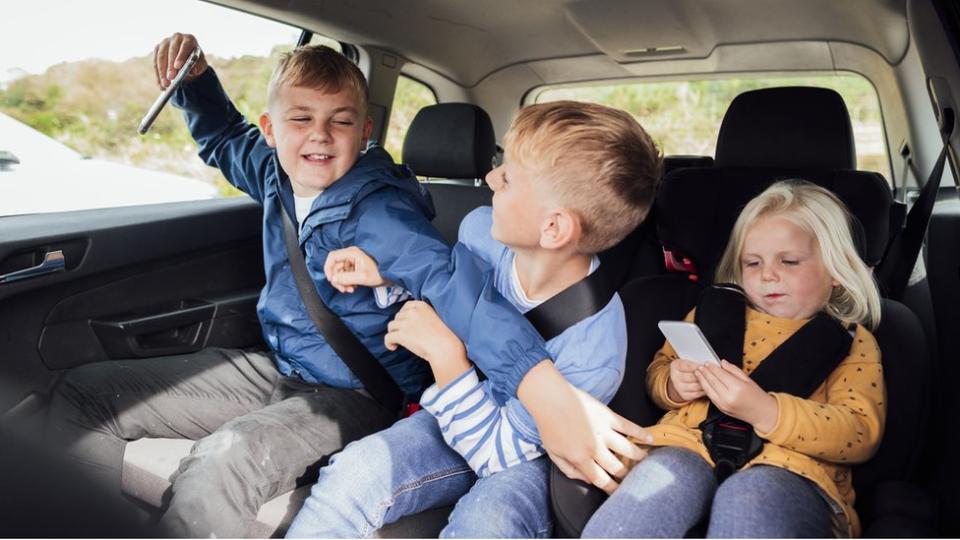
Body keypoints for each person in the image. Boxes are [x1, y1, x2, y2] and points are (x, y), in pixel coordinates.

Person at [43, 34, 647, 537]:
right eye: (299, 119)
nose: (319, 136)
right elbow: (226, 142)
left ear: (366, 131)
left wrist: (541, 388)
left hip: (355, 390)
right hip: (280, 367)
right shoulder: (281, 174)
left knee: (219, 464)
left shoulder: (381, 212)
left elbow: (462, 295)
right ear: (272, 130)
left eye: (340, 121)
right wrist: (198, 82)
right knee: (85, 395)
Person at [284, 100, 662, 538]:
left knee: (486, 524)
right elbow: (457, 302)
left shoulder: (594, 347)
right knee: (355, 472)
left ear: (554, 229)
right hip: (456, 408)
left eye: (509, 176)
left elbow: (497, 454)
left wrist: (447, 357)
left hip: (528, 454)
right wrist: (388, 277)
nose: (490, 178)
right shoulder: (480, 231)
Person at [582, 180, 886, 538]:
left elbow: (860, 430)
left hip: (789, 470)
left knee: (749, 498)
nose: (767, 274)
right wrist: (674, 385)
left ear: (835, 270)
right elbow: (659, 371)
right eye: (752, 263)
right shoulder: (712, 314)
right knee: (654, 486)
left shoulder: (849, 341)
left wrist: (766, 411)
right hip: (686, 448)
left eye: (789, 261)